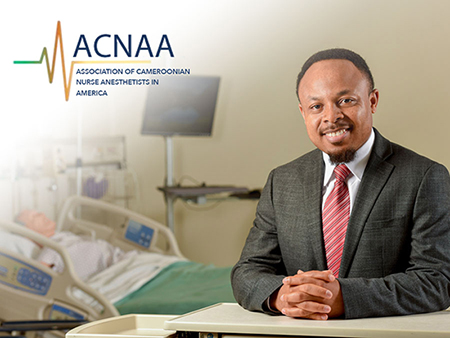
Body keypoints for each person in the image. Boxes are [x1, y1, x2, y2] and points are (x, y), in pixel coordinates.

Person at [231, 48, 450, 320]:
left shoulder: (425, 177)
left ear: (372, 101)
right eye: (316, 106)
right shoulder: (282, 181)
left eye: (345, 100)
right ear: (303, 112)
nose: (331, 117)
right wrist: (283, 296)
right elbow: (248, 271)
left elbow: (437, 280)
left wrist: (344, 298)